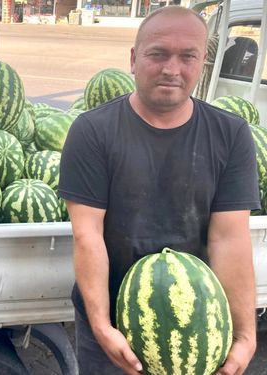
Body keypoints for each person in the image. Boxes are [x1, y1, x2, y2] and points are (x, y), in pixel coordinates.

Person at [59, 6, 258, 375]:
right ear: (134, 59)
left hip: (196, 320)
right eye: (158, 53)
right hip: (113, 323)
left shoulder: (231, 136)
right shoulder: (92, 132)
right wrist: (103, 326)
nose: (172, 68)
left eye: (188, 56)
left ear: (203, 62)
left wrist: (245, 335)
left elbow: (230, 240)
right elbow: (88, 236)